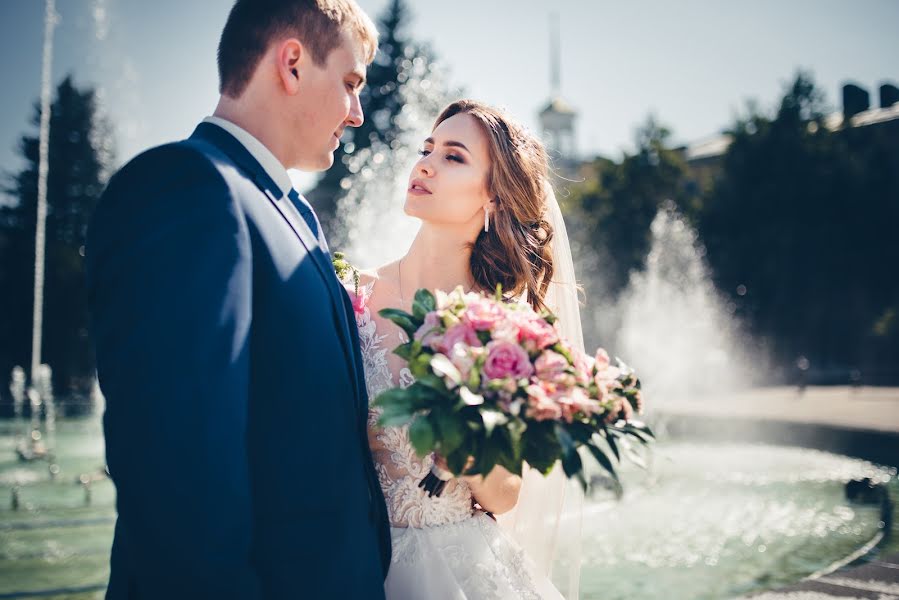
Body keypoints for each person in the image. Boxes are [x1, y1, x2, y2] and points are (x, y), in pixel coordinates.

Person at [85, 1, 391, 597]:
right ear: (293, 64)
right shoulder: (185, 187)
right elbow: (178, 481)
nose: (356, 113)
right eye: (350, 83)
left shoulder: (294, 214)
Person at [352, 99, 583, 599]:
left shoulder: (503, 331)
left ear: (493, 198)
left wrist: (462, 449)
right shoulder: (350, 294)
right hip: (351, 562)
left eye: (454, 157)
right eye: (426, 149)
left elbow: (505, 494)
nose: (426, 164)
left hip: (458, 572)